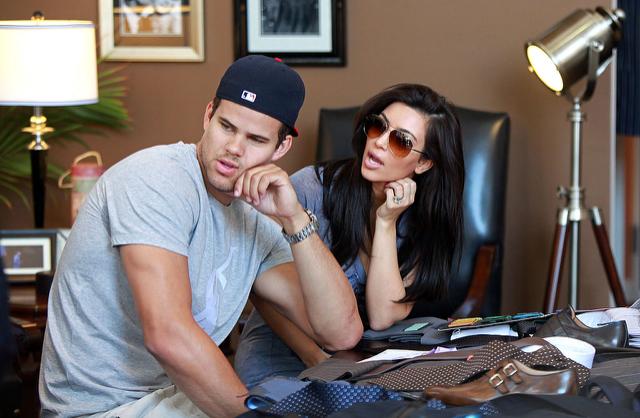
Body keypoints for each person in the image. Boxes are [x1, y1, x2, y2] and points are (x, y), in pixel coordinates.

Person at [38, 55, 362, 418]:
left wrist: (294, 217)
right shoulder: (157, 179)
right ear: (208, 115)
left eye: (256, 139)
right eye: (227, 126)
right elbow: (167, 334)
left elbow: (341, 333)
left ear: (280, 148)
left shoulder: (257, 221)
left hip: (176, 399)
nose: (235, 148)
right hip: (102, 410)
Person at [235, 83, 465, 387]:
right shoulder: (309, 188)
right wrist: (315, 358)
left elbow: (383, 316)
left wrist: (385, 223)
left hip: (366, 361)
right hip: (282, 351)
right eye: (378, 127)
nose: (380, 142)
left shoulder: (425, 220)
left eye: (400, 141)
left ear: (423, 163)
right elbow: (260, 289)